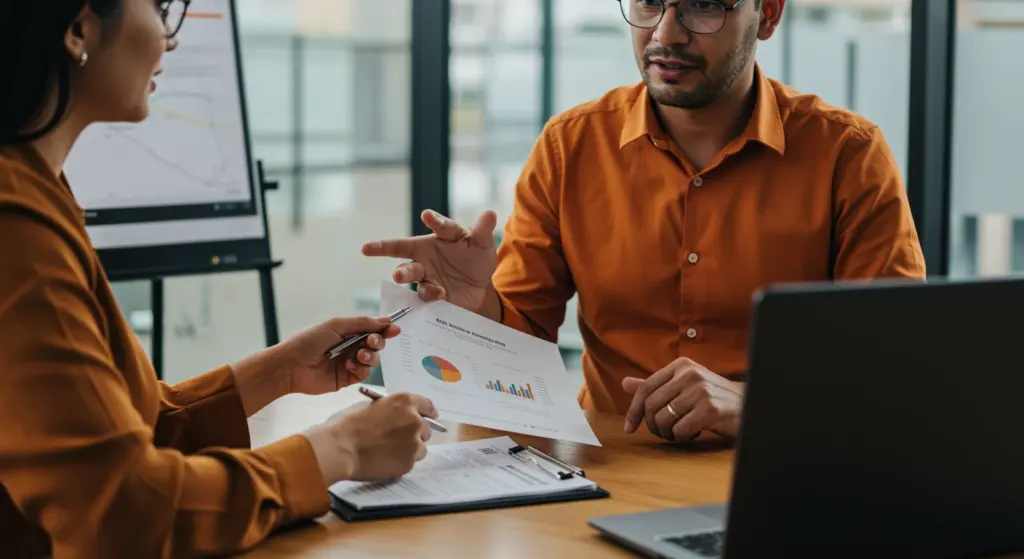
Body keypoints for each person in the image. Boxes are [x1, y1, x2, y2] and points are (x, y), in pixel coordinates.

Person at [363, 0, 925, 443]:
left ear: (769, 14)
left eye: (704, 6)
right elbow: (521, 345)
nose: (666, 34)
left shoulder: (847, 153)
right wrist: (477, 301)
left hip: (784, 464)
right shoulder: (570, 146)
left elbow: (893, 367)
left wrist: (754, 407)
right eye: (651, 2)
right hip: (605, 467)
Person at [0, 1, 437, 557]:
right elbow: (125, 509)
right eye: (160, 9)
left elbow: (119, 431)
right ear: (79, 25)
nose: (170, 39)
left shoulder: (36, 192)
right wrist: (340, 450)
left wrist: (281, 370)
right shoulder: (15, 228)